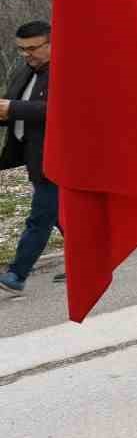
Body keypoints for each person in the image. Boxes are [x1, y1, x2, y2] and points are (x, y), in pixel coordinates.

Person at [0, 21, 55, 295]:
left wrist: (13, 108)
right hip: (34, 157)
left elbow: (61, 108)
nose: (27, 54)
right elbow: (13, 107)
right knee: (60, 215)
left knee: (41, 217)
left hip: (58, 159)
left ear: (51, 43)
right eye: (22, 49)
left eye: (33, 48)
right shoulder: (25, 72)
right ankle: (97, 263)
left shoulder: (69, 70)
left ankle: (16, 274)